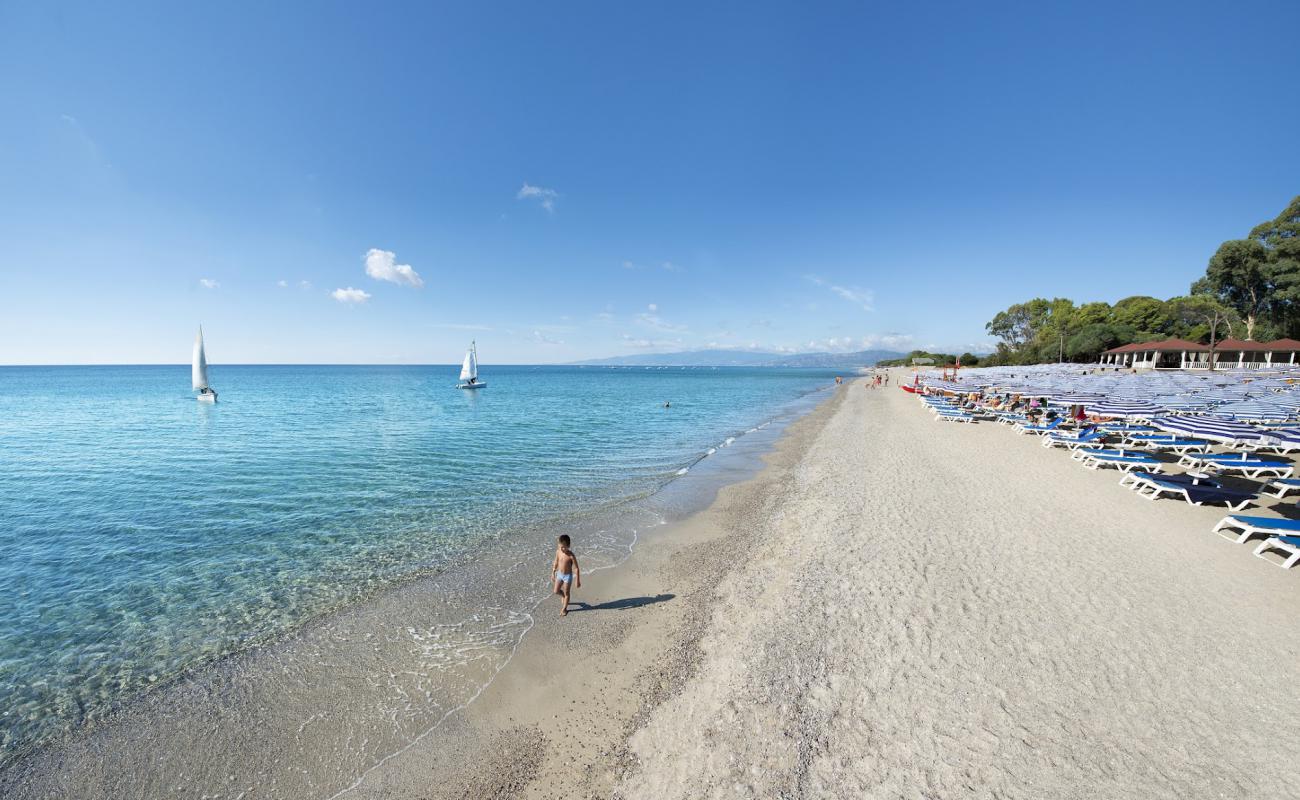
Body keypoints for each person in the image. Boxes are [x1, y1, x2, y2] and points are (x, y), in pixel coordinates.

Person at [551, 534, 581, 616]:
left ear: (568, 546)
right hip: (559, 574)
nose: (562, 549)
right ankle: (564, 596)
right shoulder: (558, 552)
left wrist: (577, 580)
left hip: (568, 576)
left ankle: (564, 608)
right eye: (560, 547)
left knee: (567, 592)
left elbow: (576, 568)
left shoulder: (571, 556)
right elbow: (556, 562)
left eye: (564, 547)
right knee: (556, 591)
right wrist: (553, 573)